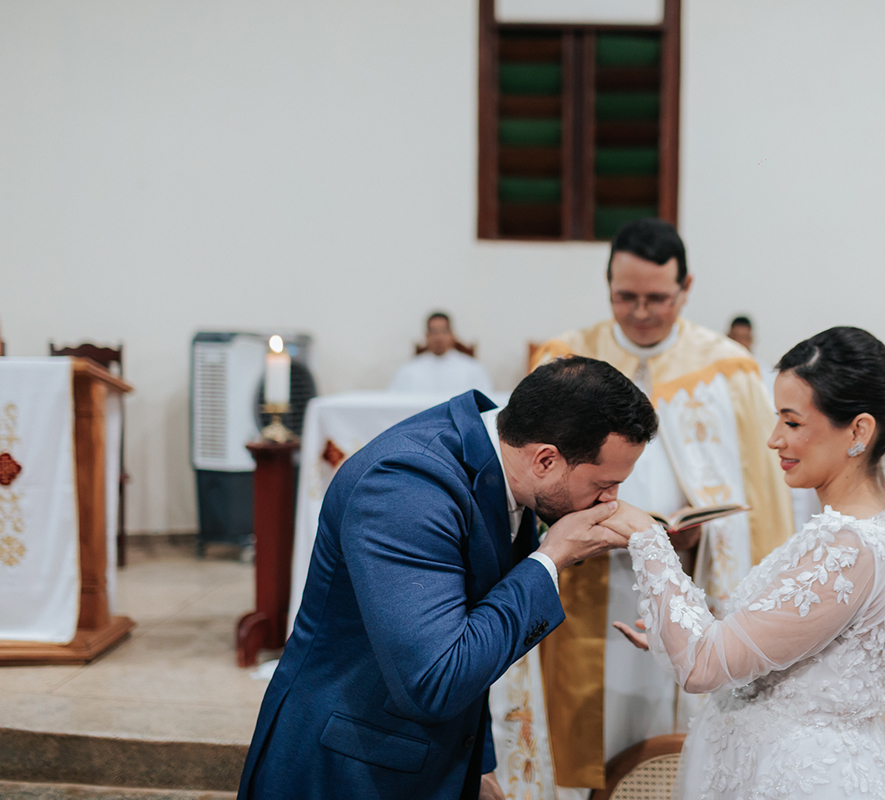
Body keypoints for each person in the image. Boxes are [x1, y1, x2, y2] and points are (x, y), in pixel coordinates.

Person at [615, 327, 885, 800]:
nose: (773, 440)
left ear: (858, 431)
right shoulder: (857, 529)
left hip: (809, 780)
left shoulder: (851, 548)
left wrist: (645, 536)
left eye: (792, 422)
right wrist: (681, 631)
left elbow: (705, 667)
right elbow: (781, 635)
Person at [238, 356, 659, 800]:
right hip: (348, 768)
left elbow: (470, 620)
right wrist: (550, 559)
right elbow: (435, 679)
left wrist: (475, 766)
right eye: (606, 484)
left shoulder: (500, 467)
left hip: (425, 757)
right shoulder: (405, 488)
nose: (611, 501)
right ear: (546, 460)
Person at [496, 218, 796, 798]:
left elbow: (763, 503)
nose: (639, 312)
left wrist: (696, 538)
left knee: (672, 730)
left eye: (656, 298)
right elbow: (526, 476)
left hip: (686, 586)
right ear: (608, 285)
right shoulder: (564, 359)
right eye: (624, 297)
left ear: (685, 289)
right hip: (580, 592)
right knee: (579, 738)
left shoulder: (730, 370)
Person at [388, 311, 494, 395]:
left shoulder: (473, 368)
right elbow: (395, 402)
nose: (438, 338)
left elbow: (484, 402)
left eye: (443, 331)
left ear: (452, 334)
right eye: (433, 332)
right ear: (426, 335)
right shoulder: (409, 370)